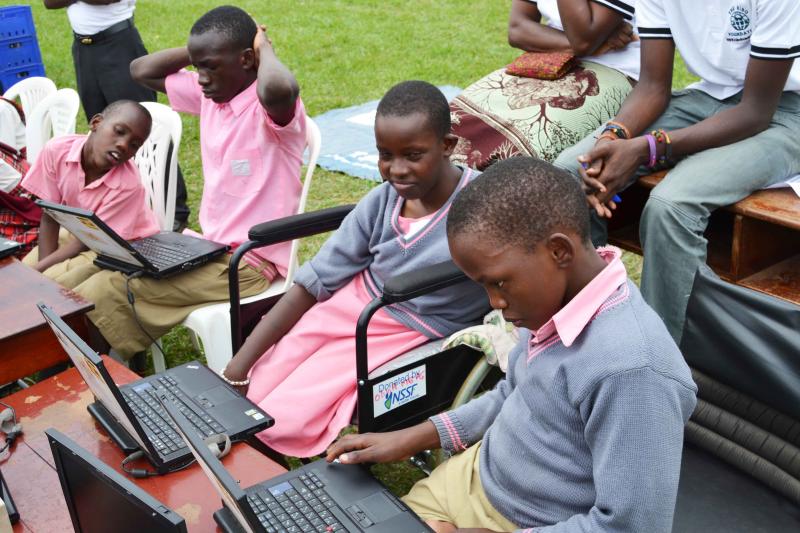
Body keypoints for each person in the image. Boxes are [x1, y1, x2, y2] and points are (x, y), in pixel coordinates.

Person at [326, 157, 697, 533]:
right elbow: (513, 393)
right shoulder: (550, 306)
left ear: (559, 252)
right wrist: (412, 437)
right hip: (474, 479)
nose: (494, 304)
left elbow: (633, 527)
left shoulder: (632, 371)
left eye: (499, 283)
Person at [222, 81, 490, 458]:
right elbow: (315, 280)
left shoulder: (482, 207)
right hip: (354, 303)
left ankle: (263, 474)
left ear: (447, 146)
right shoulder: (382, 201)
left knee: (283, 415)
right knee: (259, 384)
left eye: (413, 155)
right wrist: (239, 365)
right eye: (385, 155)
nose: (396, 170)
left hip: (410, 324)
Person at [67, 5, 307, 360]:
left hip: (250, 263)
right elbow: (140, 70)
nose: (202, 78)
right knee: (99, 267)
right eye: (198, 67)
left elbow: (279, 88)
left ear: (246, 60)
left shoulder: (269, 111)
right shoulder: (212, 96)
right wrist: (201, 53)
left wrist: (262, 45)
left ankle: (87, 381)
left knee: (110, 288)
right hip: (205, 249)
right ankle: (83, 363)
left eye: (211, 67)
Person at [554, 0, 800, 342]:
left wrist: (648, 147)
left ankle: (662, 361)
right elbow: (653, 86)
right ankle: (591, 335)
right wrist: (614, 136)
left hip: (786, 113)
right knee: (572, 171)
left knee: (673, 206)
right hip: (712, 96)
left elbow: (756, 111)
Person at [42, 0, 190, 230]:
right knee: (103, 132)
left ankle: (175, 211)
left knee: (141, 132)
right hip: (83, 47)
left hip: (118, 44)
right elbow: (50, 2)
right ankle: (109, 206)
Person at [450, 0, 640, 169]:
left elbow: (583, 37)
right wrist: (593, 45)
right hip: (550, 59)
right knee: (449, 123)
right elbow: (518, 29)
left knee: (515, 156)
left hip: (619, 71)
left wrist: (586, 44)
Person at [20, 100, 159, 281]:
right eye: (119, 131)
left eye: (134, 145)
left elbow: (84, 243)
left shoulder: (128, 184)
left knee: (59, 283)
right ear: (96, 123)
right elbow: (50, 216)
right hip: (79, 232)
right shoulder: (57, 150)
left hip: (118, 245)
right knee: (25, 271)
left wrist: (42, 273)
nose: (124, 145)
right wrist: (42, 270)